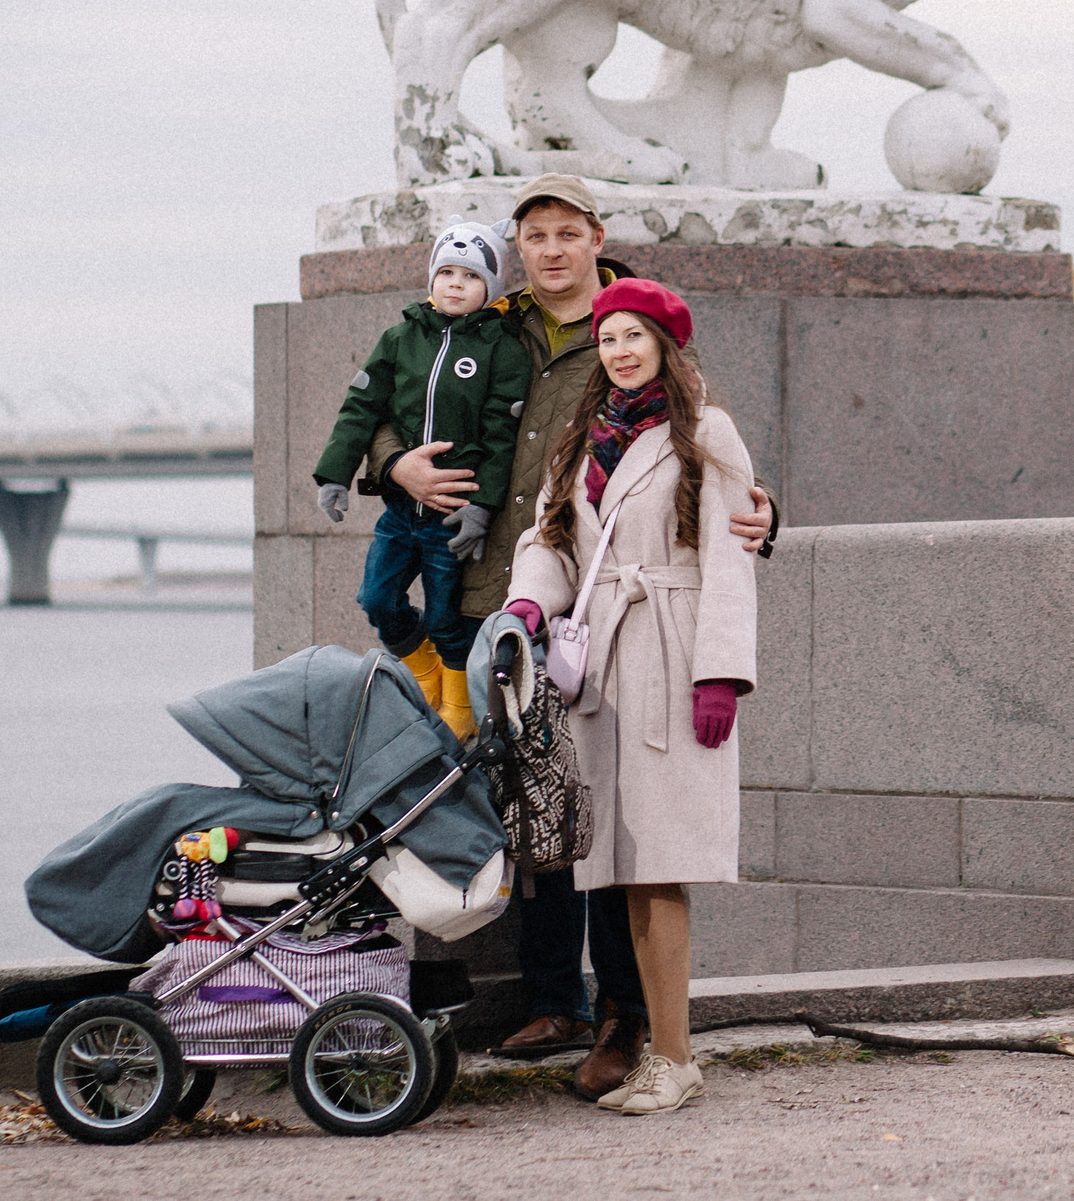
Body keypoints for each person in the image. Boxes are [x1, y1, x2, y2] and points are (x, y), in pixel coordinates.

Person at [358, 173, 774, 1100]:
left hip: (648, 634)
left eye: (566, 232)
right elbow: (410, 404)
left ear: (596, 240)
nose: (617, 350)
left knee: (644, 849)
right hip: (529, 614)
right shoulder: (492, 334)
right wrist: (400, 473)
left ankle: (639, 1028)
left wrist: (725, 659)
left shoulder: (686, 406)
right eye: (533, 234)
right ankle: (563, 1004)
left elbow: (721, 520)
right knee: (554, 819)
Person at [498, 277, 754, 1116]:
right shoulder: (584, 438)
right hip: (602, 661)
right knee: (615, 868)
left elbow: (730, 555)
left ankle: (674, 1057)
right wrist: (529, 601)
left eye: (634, 336)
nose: (619, 351)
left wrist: (721, 672)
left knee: (660, 866)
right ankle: (656, 1050)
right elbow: (551, 538)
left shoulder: (706, 430)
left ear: (665, 345)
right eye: (608, 338)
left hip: (672, 653)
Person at [309, 221, 527, 739]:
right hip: (401, 510)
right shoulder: (401, 338)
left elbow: (502, 437)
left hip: (452, 514)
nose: (455, 284)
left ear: (492, 287)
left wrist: (482, 506)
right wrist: (335, 474)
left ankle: (459, 706)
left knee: (448, 617)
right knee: (376, 598)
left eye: (470, 276)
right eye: (446, 272)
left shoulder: (502, 349)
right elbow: (362, 406)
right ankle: (423, 672)